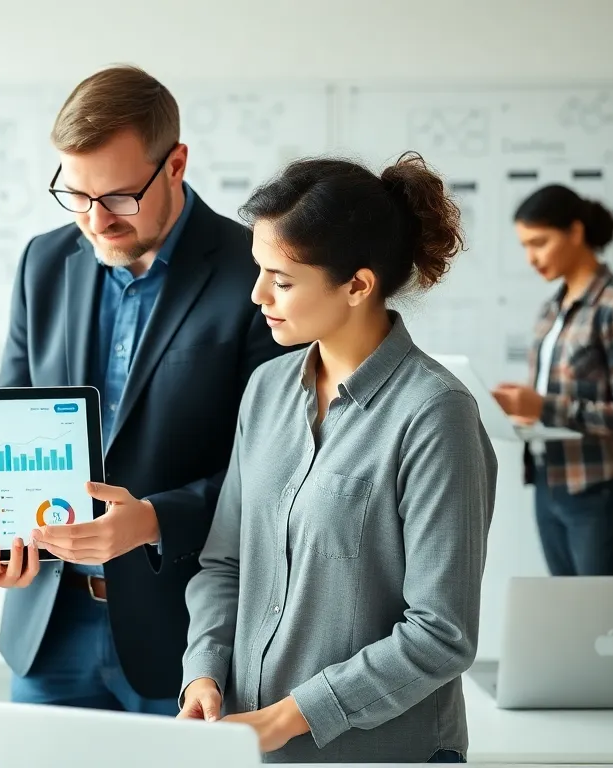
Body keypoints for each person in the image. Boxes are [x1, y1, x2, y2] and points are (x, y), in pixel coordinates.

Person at [0, 64, 287, 714]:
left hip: (188, 636)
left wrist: (152, 520)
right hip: (48, 626)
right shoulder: (44, 261)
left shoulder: (257, 274)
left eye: (120, 197)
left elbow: (272, 474)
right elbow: (5, 429)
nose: (95, 221)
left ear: (175, 164)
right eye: (75, 195)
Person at [179, 152, 497, 763]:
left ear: (357, 284)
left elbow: (441, 634)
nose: (257, 294)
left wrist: (286, 719)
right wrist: (204, 673)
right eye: (258, 270)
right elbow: (224, 564)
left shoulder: (435, 415)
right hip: (254, 749)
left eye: (283, 279)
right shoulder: (267, 389)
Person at [493, 184, 613, 576]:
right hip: (549, 485)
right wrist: (522, 410)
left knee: (604, 627)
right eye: (525, 246)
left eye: (540, 243)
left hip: (600, 492)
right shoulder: (552, 308)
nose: (531, 258)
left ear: (576, 232)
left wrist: (542, 406)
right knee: (568, 623)